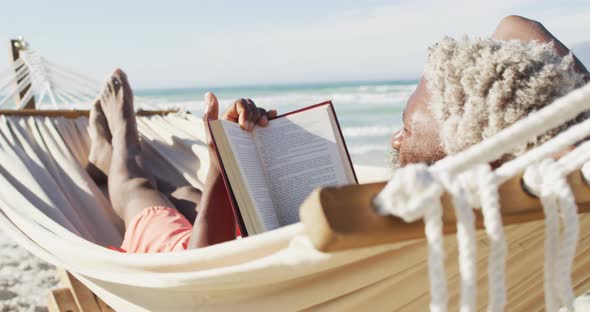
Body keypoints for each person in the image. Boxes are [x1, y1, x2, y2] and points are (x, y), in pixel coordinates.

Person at [87, 15, 589, 253]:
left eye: (405, 128)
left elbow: (199, 280)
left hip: (201, 251)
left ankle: (118, 145)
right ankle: (178, 182)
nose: (394, 142)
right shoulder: (521, 201)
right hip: (250, 228)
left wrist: (223, 169)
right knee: (186, 193)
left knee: (139, 192)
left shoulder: (404, 233)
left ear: (466, 152)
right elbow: (514, 27)